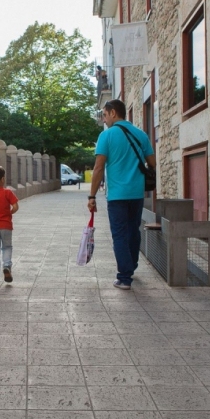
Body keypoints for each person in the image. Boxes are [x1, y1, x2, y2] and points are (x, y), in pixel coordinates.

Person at [87, 99, 155, 290]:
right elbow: (152, 162)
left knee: (119, 234)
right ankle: (131, 267)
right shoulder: (141, 135)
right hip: (136, 193)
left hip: (117, 195)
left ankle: (124, 277)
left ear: (114, 113)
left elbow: (99, 167)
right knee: (133, 231)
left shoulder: (106, 136)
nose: (104, 119)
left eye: (105, 115)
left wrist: (92, 196)